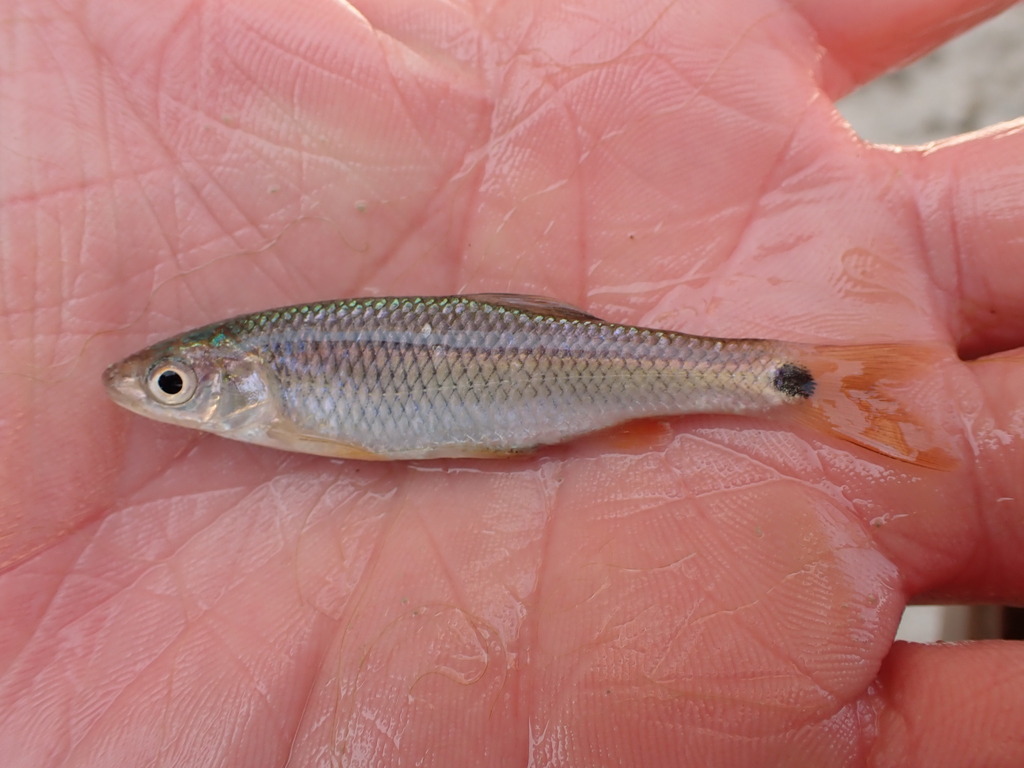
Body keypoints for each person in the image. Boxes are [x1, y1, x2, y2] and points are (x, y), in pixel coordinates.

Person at [2, 0, 1022, 765]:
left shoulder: (288, 378)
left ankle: (792, 381)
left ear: (244, 375)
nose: (164, 394)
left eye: (174, 383)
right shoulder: (282, 378)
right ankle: (794, 382)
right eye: (175, 384)